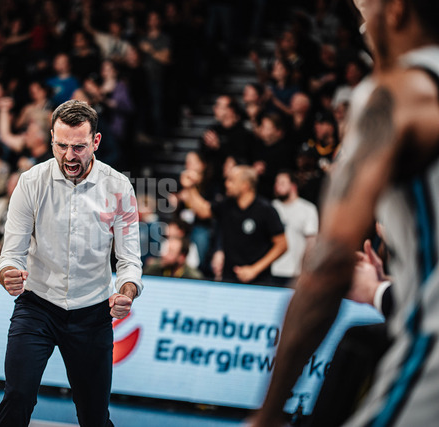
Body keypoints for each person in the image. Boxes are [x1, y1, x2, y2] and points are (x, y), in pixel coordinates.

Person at [249, 0, 439, 425]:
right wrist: (392, 284)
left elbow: (330, 264)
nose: (361, 29)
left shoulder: (397, 92)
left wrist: (268, 412)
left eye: (364, 13)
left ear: (396, 11)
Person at [0, 100, 142, 427]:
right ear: (51, 139)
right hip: (37, 306)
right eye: (61, 146)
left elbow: (130, 260)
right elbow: (11, 254)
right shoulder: (31, 182)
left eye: (78, 147)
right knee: (17, 396)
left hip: (92, 313)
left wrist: (127, 292)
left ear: (96, 141)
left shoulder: (118, 187)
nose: (69, 156)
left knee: (94, 416)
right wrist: (7, 274)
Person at [181, 165, 286, 284]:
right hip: (229, 279)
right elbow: (203, 211)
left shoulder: (265, 210)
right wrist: (190, 187)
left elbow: (282, 245)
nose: (227, 184)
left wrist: (254, 269)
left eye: (231, 180)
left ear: (245, 185)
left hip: (259, 282)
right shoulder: (227, 205)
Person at [270, 171, 319, 286]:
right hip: (272, 270)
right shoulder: (271, 207)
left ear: (293, 186)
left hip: (295, 272)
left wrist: (305, 270)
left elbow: (311, 243)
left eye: (282, 183)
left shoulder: (308, 209)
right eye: (276, 183)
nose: (277, 186)